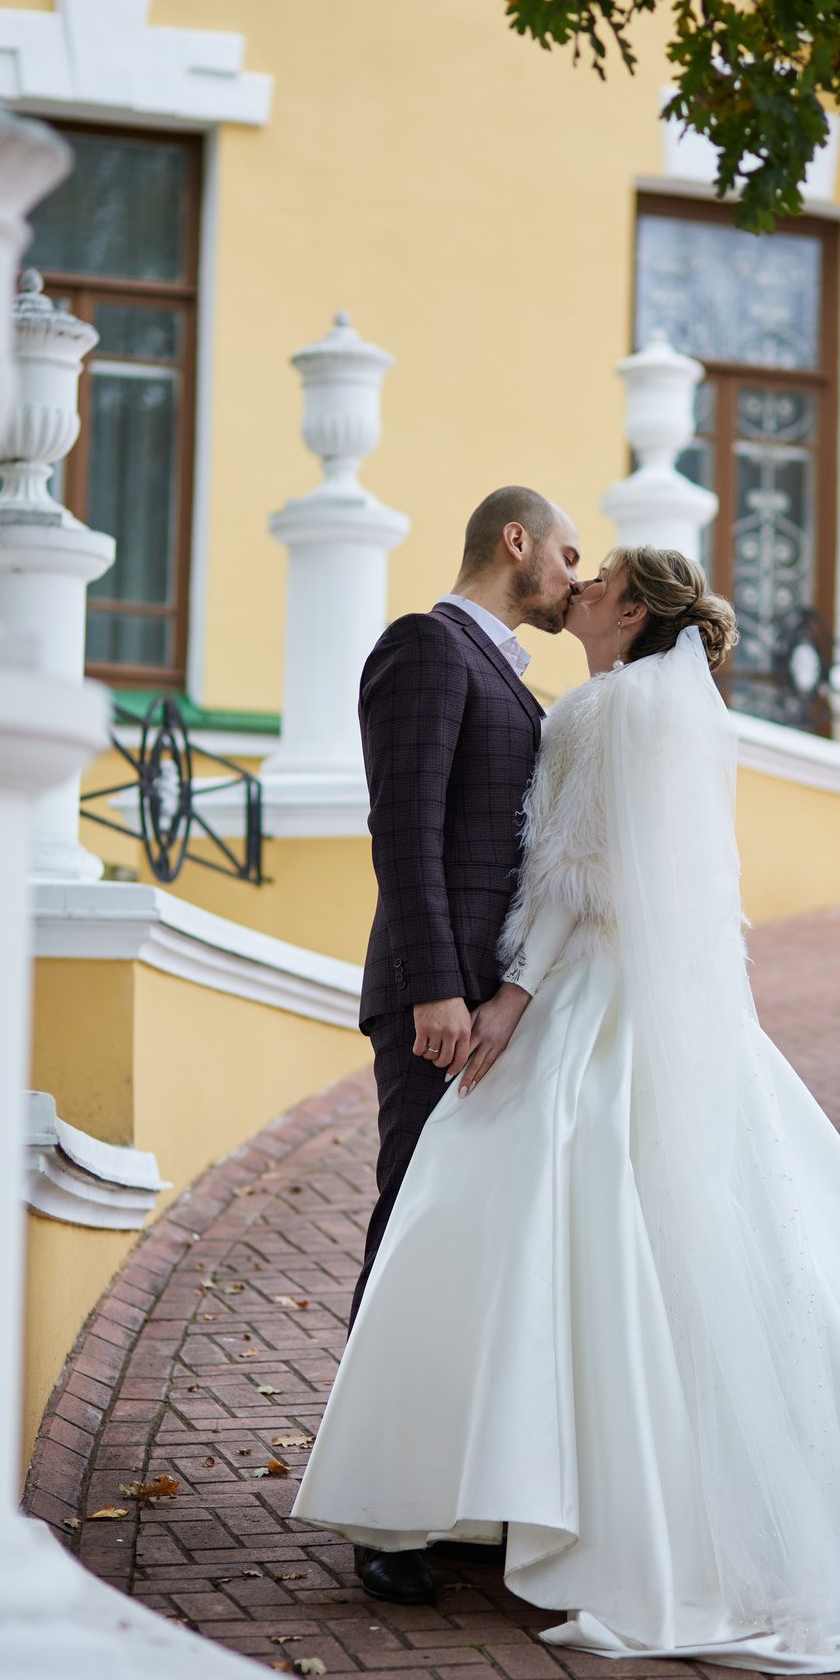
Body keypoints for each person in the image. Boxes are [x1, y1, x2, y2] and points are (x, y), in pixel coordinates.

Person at [293, 545, 840, 1672]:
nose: (575, 583)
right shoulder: (672, 709)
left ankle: (490, 1497)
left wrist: (508, 997)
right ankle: (549, 1495)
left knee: (502, 1226)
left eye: (593, 579)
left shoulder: (603, 711)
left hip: (579, 995)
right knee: (655, 1246)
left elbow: (573, 880)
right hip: (665, 1003)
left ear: (630, 608)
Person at [338, 484, 581, 1608]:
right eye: (567, 554)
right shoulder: (425, 648)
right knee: (410, 1227)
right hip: (437, 1005)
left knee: (466, 1243)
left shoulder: (507, 674)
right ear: (515, 541)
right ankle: (379, 1510)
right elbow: (404, 825)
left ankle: (456, 1489)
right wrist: (436, 986)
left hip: (494, 1007)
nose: (577, 579)